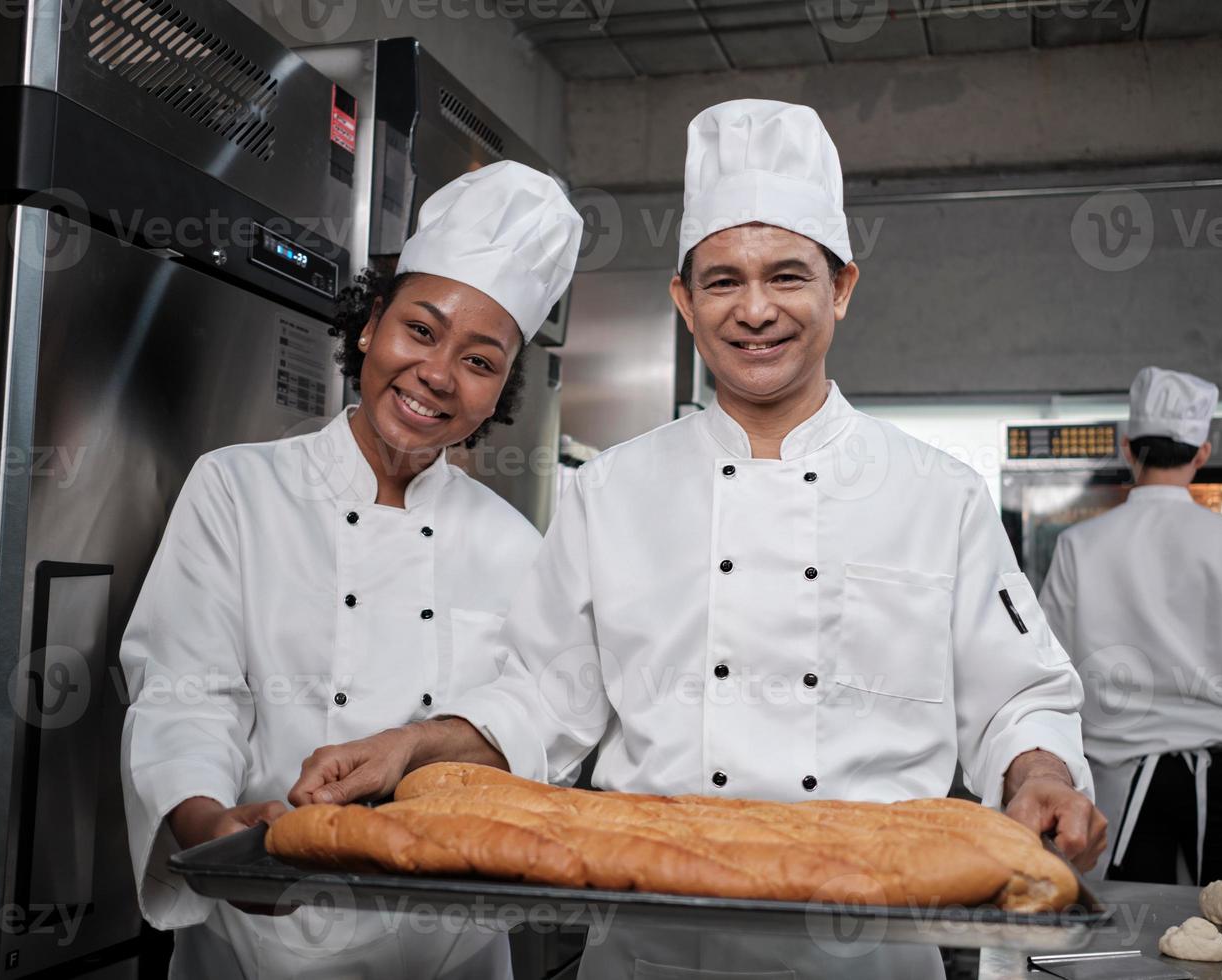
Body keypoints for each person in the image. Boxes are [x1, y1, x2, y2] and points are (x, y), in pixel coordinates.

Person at [290, 100, 1106, 977]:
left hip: (866, 956)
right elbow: (541, 702)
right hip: (653, 953)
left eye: (787, 276)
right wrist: (413, 745)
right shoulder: (610, 492)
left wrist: (1040, 776)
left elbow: (1019, 697)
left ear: (842, 288)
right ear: (684, 300)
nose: (754, 311)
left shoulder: (938, 495)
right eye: (722, 281)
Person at [119, 160, 582, 978]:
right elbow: (186, 692)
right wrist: (207, 828)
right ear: (372, 324)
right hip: (255, 941)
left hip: (449, 951)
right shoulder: (239, 488)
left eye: (481, 361)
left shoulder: (517, 545)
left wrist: (424, 747)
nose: (437, 375)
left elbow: (543, 729)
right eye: (422, 330)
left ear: (502, 388)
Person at [1038, 366, 1222, 886]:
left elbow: (1047, 675)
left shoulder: (1077, 546)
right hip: (1221, 789)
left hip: (1113, 791)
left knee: (1124, 948)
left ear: (1129, 448)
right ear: (1202, 454)